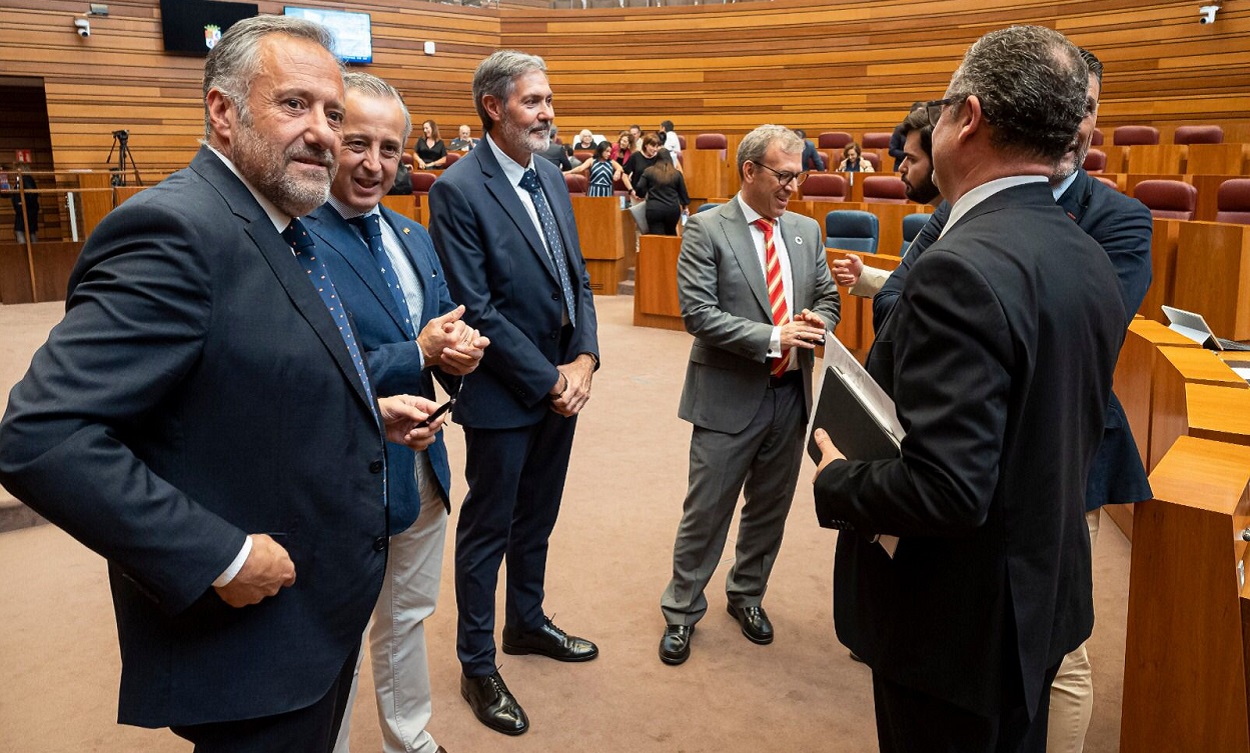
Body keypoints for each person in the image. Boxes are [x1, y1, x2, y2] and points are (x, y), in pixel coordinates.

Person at [0, 16, 446, 752]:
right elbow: (43, 437)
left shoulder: (283, 225)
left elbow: (246, 376)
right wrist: (221, 555)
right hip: (254, 638)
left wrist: (365, 412)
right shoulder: (174, 231)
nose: (323, 133)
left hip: (312, 619)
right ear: (223, 112)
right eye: (295, 104)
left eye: (333, 113)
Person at [811, 25, 1125, 752]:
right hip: (1039, 597)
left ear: (967, 117)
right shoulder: (1085, 251)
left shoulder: (959, 268)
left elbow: (947, 490)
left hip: (956, 629)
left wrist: (837, 479)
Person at [306, 72, 489, 753]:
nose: (373, 164)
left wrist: (458, 355)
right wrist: (418, 350)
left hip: (422, 467)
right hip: (341, 476)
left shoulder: (413, 235)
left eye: (389, 148)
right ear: (330, 139)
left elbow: (439, 331)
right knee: (336, 630)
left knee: (407, 617)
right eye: (357, 143)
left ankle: (408, 738)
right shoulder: (295, 237)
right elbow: (312, 365)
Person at [427, 49, 601, 738]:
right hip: (504, 393)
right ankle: (477, 664)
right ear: (493, 107)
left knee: (538, 516)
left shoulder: (551, 174)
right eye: (534, 101)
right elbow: (478, 308)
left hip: (563, 385)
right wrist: (551, 378)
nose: (548, 113)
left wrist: (585, 359)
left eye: (549, 99)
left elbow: (577, 278)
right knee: (488, 530)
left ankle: (525, 621)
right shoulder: (457, 189)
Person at [658, 124, 840, 666]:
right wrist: (774, 337)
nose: (792, 187)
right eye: (783, 176)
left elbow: (828, 296)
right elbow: (698, 314)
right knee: (707, 511)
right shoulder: (707, 228)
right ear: (750, 171)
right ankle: (681, 610)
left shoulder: (806, 230)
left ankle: (747, 595)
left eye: (798, 176)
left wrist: (818, 320)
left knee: (770, 509)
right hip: (727, 396)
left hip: (790, 396)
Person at [831, 107, 942, 298]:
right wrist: (864, 275)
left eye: (911, 159)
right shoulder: (940, 218)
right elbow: (914, 284)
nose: (901, 167)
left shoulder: (961, 223)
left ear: (940, 161)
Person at [634, 147, 689, 235]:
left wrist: (641, 195)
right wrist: (685, 207)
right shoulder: (676, 173)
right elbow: (683, 192)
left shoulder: (648, 171)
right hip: (672, 209)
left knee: (656, 237)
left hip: (654, 209)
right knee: (671, 234)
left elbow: (640, 188)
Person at [622, 134, 663, 199]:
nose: (655, 149)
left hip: (655, 197)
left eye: (657, 146)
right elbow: (624, 175)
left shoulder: (659, 157)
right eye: (653, 146)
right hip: (637, 196)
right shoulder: (635, 156)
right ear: (646, 145)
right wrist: (631, 190)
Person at [888, 102, 925, 171]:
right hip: (900, 166)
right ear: (911, 114)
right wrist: (909, 156)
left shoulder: (926, 130)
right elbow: (892, 150)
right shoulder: (900, 129)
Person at [8, 165, 39, 244]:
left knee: (19, 231)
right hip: (28, 210)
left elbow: (30, 194)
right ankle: (35, 250)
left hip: (25, 210)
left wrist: (21, 204)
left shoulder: (24, 179)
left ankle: (25, 250)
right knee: (30, 232)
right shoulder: (26, 179)